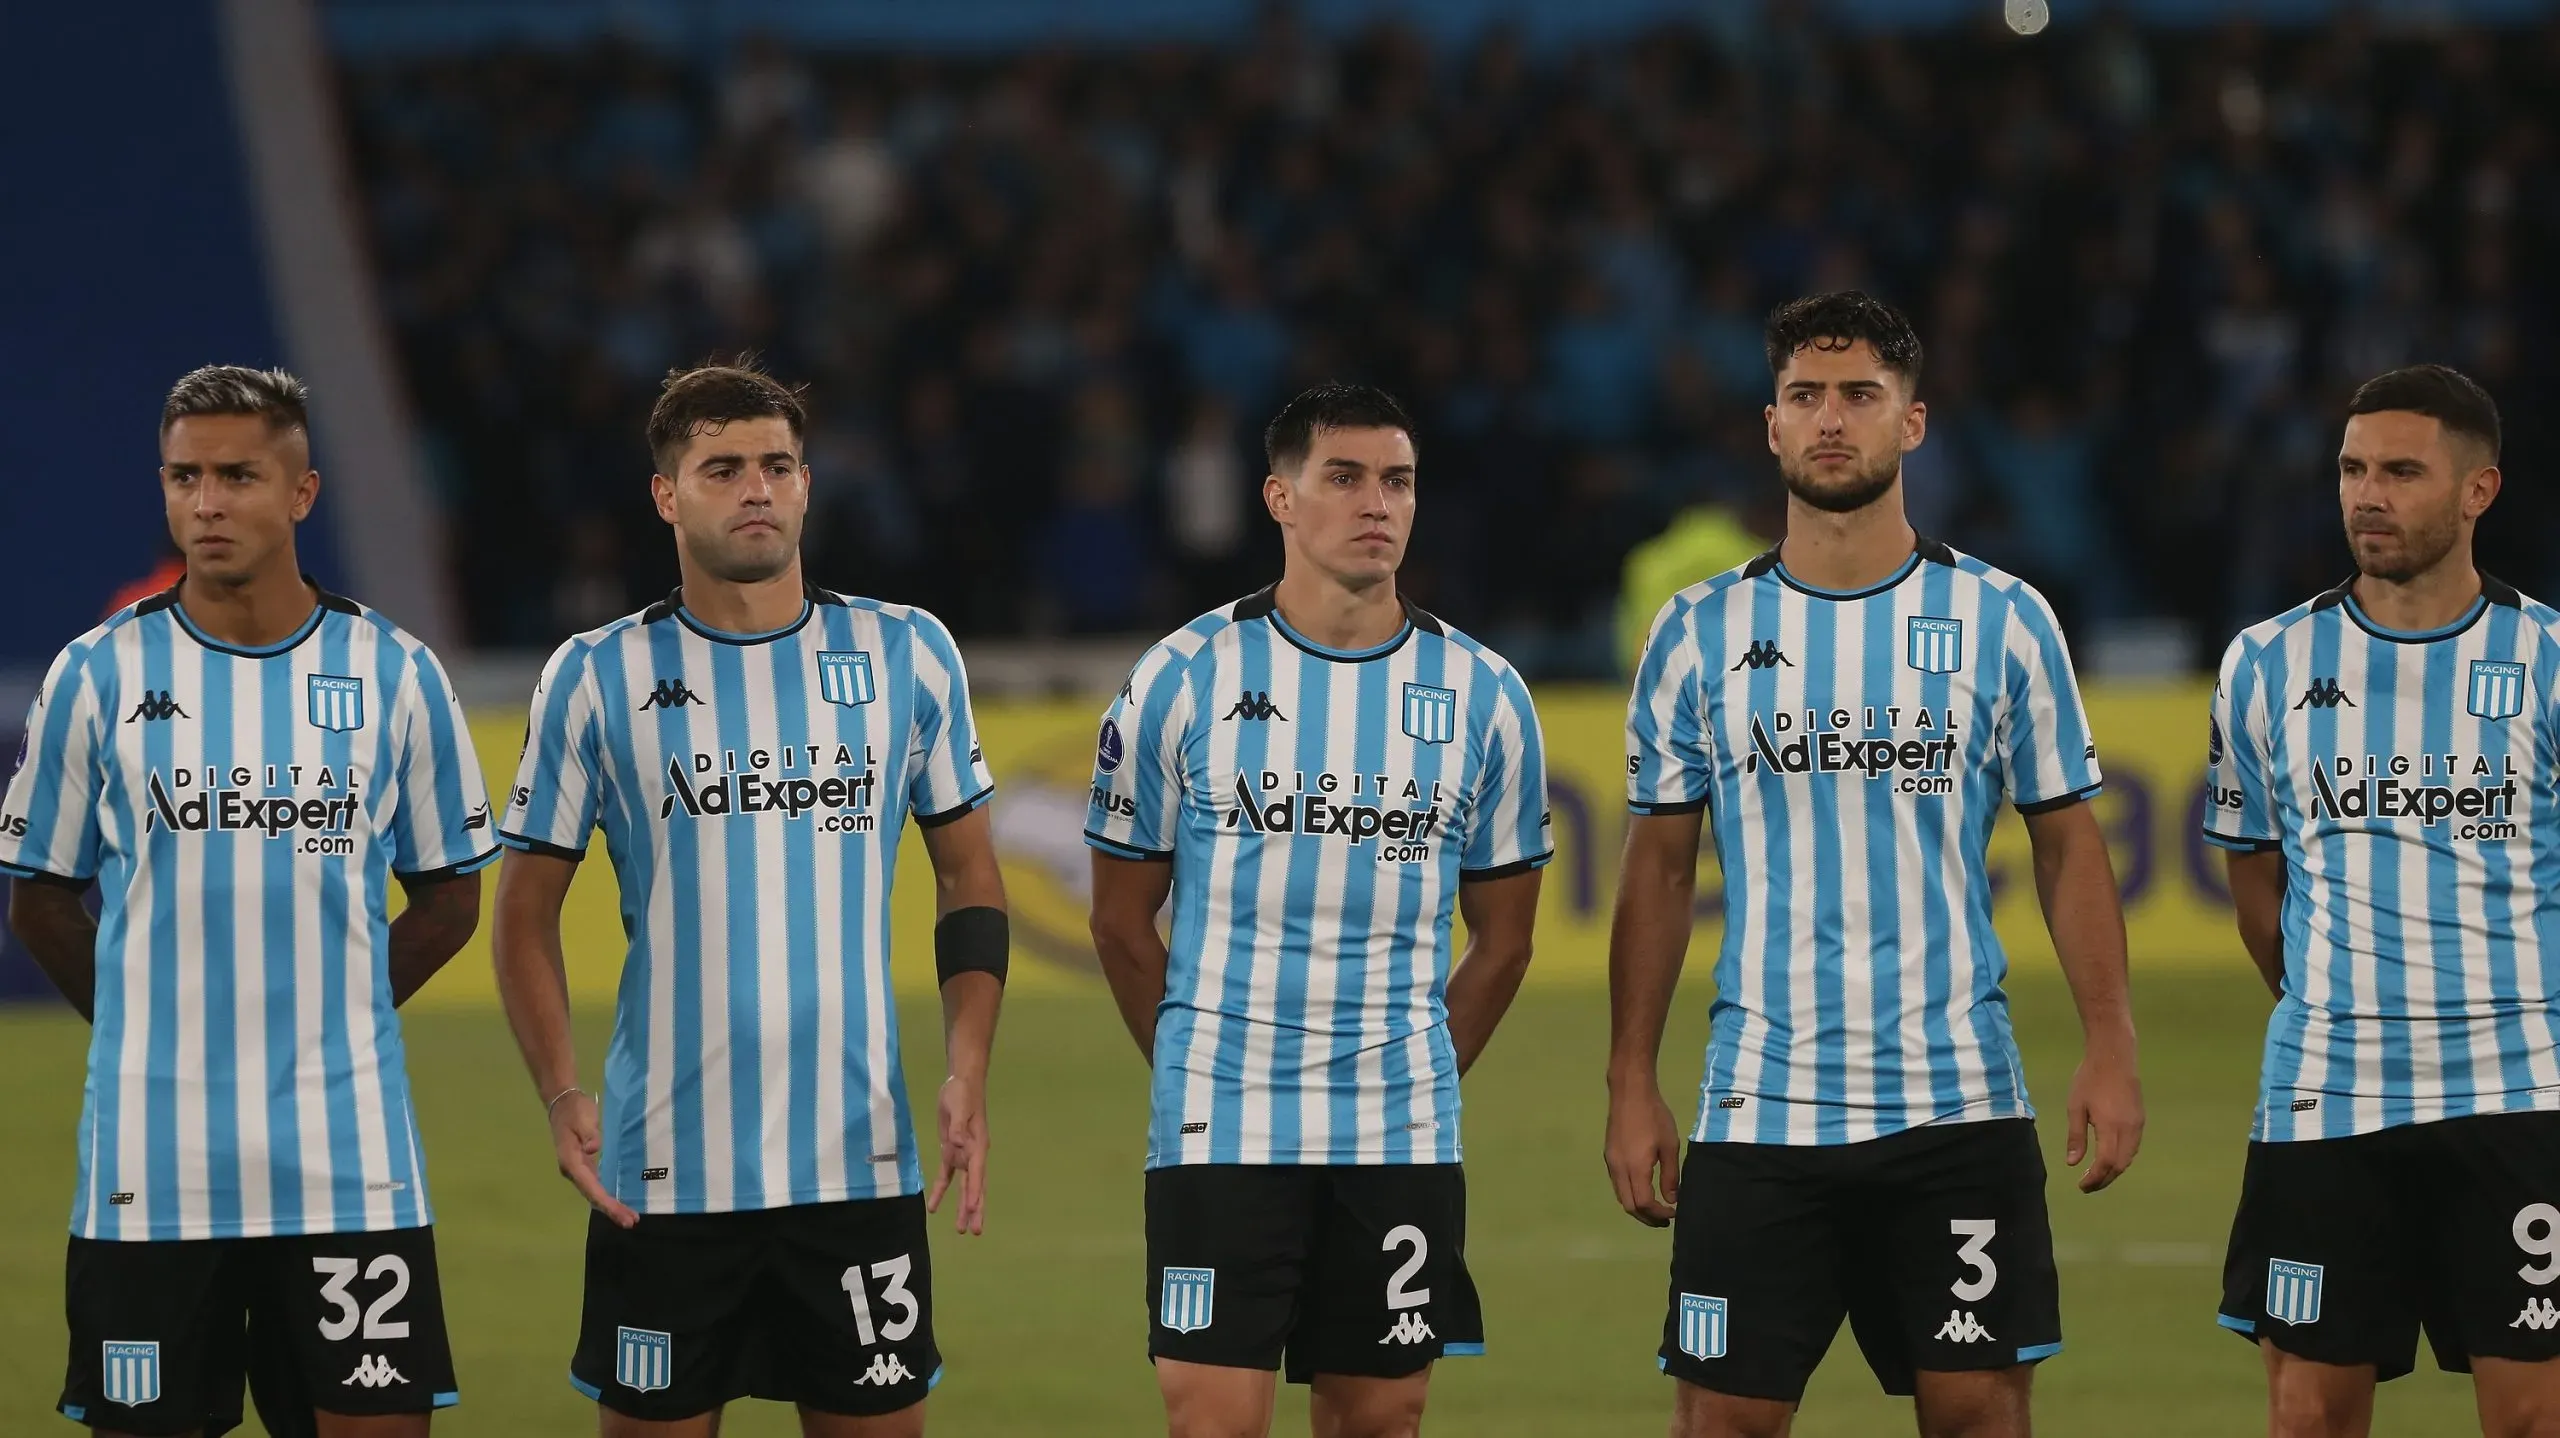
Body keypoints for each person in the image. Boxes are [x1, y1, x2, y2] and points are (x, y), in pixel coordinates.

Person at [1604, 293, 2146, 1438]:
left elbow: (2066, 843)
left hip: (1955, 1102)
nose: (1831, 419)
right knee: (1721, 1424)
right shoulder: (1696, 631)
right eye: (1806, 396)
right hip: (1760, 1107)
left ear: (1912, 422)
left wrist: (2110, 1044)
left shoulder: (2003, 618)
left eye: (1860, 395)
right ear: (1770, 426)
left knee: (1976, 1418)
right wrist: (1629, 1079)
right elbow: (1656, 869)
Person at [491, 361, 1006, 1438]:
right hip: (664, 1170)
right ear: (666, 495)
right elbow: (524, 911)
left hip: (858, 1160)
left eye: (776, 465)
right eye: (721, 468)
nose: (756, 488)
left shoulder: (906, 651)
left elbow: (969, 875)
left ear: (809, 485)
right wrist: (558, 1090)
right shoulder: (594, 675)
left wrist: (965, 1066)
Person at [1, 365, 495, 1437]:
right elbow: (38, 901)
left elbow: (452, 896)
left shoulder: (394, 674)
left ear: (303, 491)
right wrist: (144, 1034)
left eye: (237, 475)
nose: (207, 503)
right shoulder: (97, 676)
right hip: (151, 1167)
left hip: (346, 1161)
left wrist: (339, 1020)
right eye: (185, 477)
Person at [1086, 382, 1550, 1438]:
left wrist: (1421, 1065)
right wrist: (1194, 1063)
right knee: (1214, 1421)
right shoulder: (1182, 677)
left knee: (1383, 1420)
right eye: (1342, 477)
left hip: (1396, 1126)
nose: (1374, 502)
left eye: (1396, 480)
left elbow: (1506, 937)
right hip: (1223, 1122)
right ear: (1279, 498)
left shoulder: (1483, 693)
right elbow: (1119, 918)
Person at [2206, 364, 2560, 1437]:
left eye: (2402, 472)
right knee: (2309, 1414)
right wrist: (2329, 1001)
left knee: (2532, 1416)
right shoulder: (2265, 663)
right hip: (2328, 1097)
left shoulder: (2546, 660)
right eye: (2354, 468)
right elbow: (2254, 881)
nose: (2367, 493)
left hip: (2519, 1094)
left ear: (2476, 491)